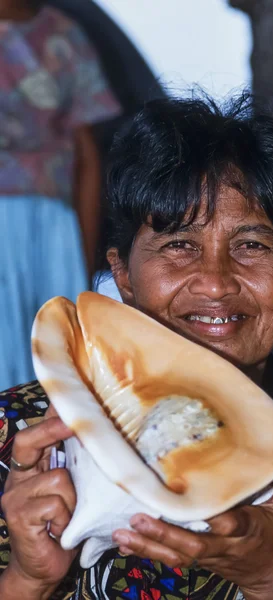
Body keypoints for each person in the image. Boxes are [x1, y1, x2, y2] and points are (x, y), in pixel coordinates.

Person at [0, 95, 273, 599]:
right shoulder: (17, 442)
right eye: (178, 245)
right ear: (123, 274)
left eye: (252, 245)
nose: (214, 282)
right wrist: (26, 580)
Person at [0, 0, 121, 389]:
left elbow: (87, 158)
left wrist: (81, 263)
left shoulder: (63, 36)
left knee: (53, 372)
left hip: (51, 233)